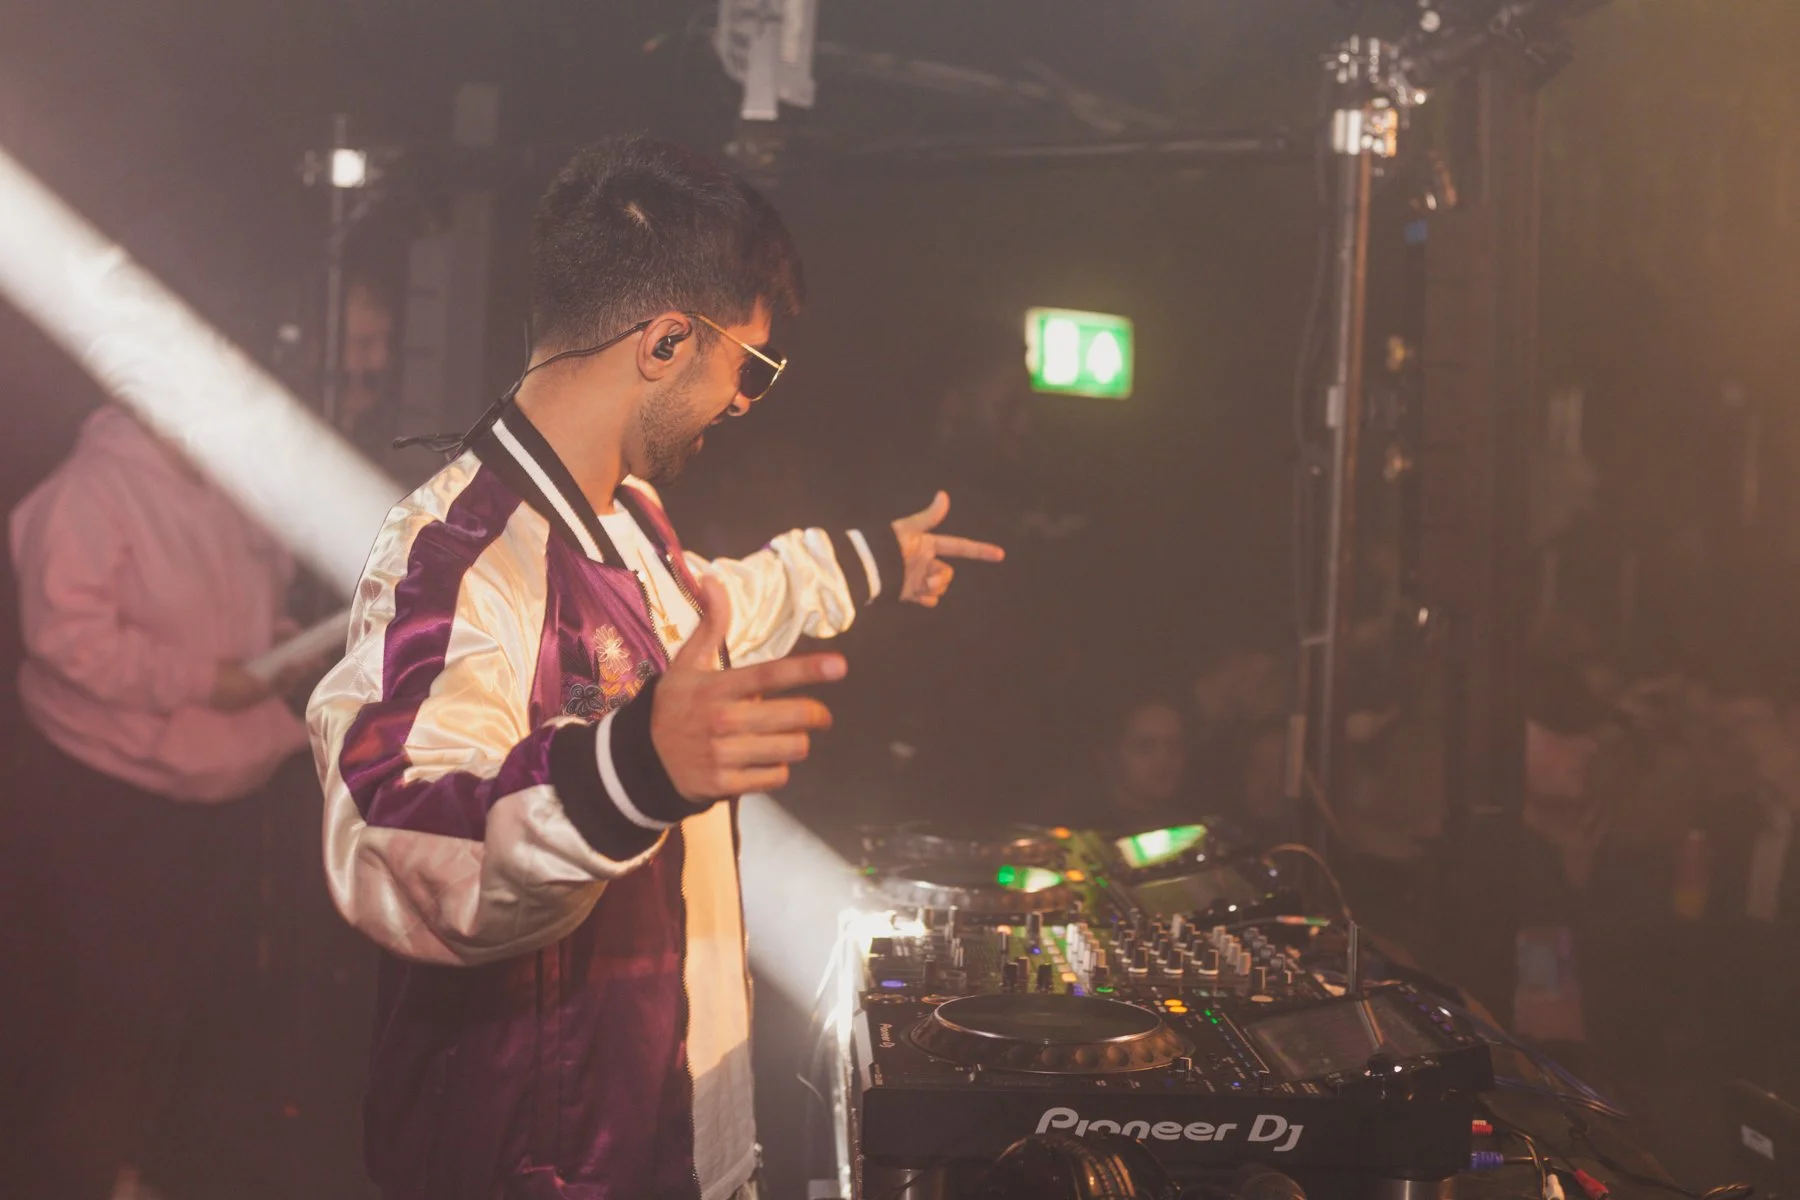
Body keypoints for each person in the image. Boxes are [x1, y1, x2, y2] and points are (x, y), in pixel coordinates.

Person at [306, 136, 1004, 1200]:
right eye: (754, 365)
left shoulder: (626, 522)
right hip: (534, 1165)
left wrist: (868, 563)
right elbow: (394, 834)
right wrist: (630, 768)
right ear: (669, 341)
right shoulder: (459, 553)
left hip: (655, 1135)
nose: (746, 400)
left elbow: (719, 605)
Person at [3, 404, 314, 1199]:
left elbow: (244, 603)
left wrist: (278, 649)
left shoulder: (231, 479)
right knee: (103, 1029)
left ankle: (132, 1171)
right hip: (106, 803)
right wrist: (208, 680)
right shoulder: (92, 489)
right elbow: (66, 638)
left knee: (181, 1019)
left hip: (220, 795)